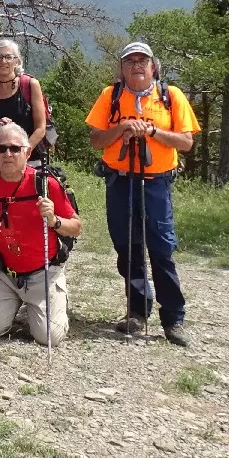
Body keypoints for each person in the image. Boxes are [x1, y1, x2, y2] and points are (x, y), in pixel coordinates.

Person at [84, 41, 199, 347]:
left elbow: (186, 143)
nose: (136, 65)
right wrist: (121, 128)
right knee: (129, 248)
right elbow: (96, 140)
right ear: (122, 68)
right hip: (120, 181)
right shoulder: (111, 96)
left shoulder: (170, 96)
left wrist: (150, 132)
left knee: (162, 250)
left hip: (157, 182)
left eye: (142, 61)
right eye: (130, 61)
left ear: (153, 67)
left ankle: (173, 318)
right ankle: (137, 311)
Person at [0, 124, 81, 346]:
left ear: (28, 152)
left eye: (15, 148)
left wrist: (54, 220)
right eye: (0, 148)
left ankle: (50, 301)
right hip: (4, 273)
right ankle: (17, 301)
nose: (7, 154)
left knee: (49, 338)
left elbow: (75, 226)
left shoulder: (46, 184)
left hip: (43, 272)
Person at [0, 39, 49, 160]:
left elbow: (40, 129)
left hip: (30, 159)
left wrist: (24, 152)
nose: (3, 61)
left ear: (17, 61)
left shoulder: (30, 85)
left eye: (8, 57)